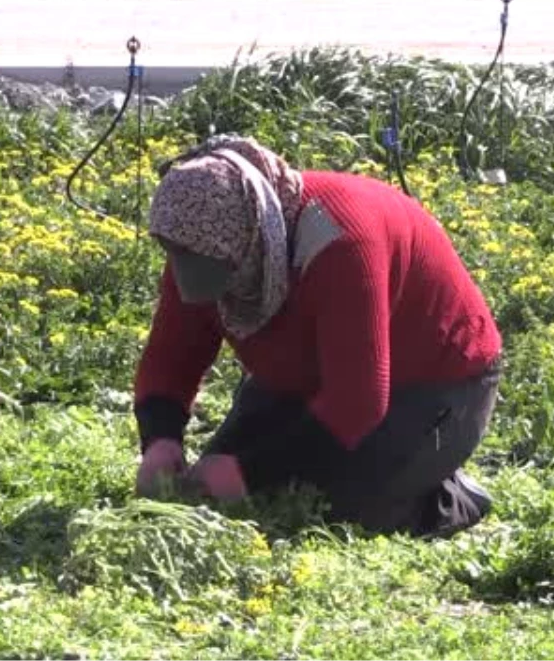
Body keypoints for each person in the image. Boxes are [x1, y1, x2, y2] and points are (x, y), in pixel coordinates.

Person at [130, 134, 504, 539]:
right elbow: (172, 355)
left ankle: (446, 495)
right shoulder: (199, 240)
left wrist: (250, 470)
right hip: (309, 376)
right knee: (225, 494)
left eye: (225, 281)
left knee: (338, 514)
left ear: (254, 243)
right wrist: (160, 440)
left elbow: (356, 402)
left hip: (433, 383)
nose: (198, 289)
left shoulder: (339, 241)